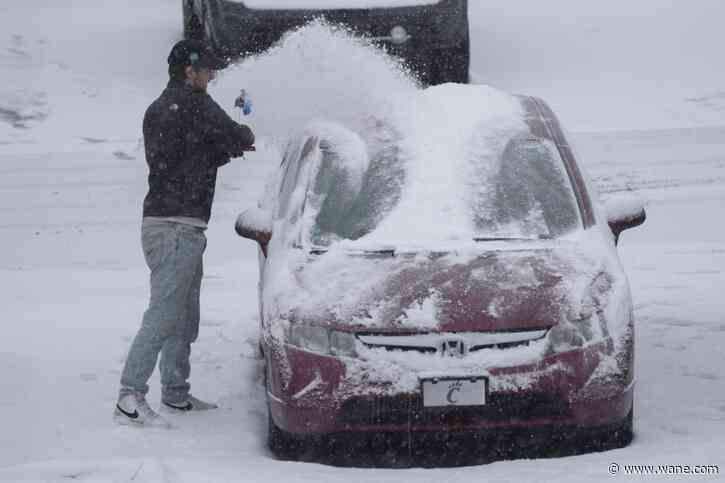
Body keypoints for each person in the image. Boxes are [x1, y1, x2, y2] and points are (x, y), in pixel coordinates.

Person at [114, 39, 255, 427]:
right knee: (163, 315)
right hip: (174, 227)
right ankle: (130, 394)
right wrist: (242, 136)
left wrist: (229, 147)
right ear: (188, 71)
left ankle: (175, 393)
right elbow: (232, 132)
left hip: (180, 225)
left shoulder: (168, 109)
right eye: (207, 69)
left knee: (183, 317)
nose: (212, 76)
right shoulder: (191, 103)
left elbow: (192, 156)